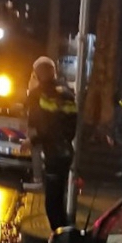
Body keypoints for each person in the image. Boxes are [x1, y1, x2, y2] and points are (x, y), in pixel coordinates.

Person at [26, 57, 78, 231]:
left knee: (52, 205)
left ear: (37, 75)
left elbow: (41, 124)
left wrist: (32, 140)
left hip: (53, 153)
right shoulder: (67, 93)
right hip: (66, 151)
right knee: (58, 200)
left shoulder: (38, 94)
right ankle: (63, 238)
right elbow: (71, 126)